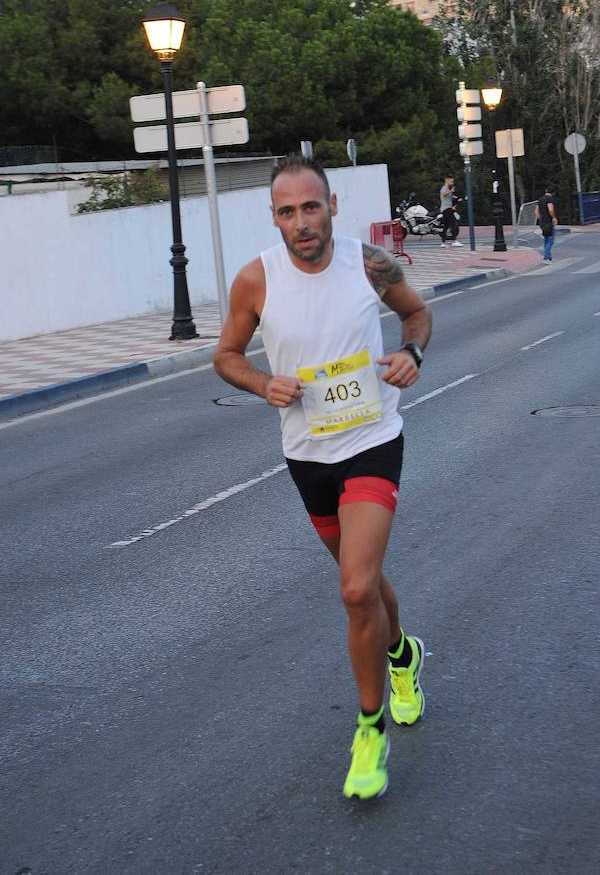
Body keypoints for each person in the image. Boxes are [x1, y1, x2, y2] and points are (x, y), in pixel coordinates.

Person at [213, 153, 432, 801]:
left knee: (355, 587)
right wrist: (262, 381)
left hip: (371, 440)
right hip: (307, 454)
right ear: (273, 218)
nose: (301, 222)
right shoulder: (256, 280)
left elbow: (416, 314)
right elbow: (225, 355)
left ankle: (369, 730)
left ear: (331, 206)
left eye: (311, 207)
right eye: (287, 211)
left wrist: (410, 352)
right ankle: (403, 656)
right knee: (361, 586)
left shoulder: (369, 265)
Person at [534, 187, 557, 263]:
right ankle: (546, 258)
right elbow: (550, 210)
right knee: (550, 240)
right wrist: (553, 217)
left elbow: (536, 211)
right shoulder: (549, 199)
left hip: (542, 222)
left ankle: (549, 257)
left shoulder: (540, 199)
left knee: (546, 239)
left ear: (546, 191)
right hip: (548, 222)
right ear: (553, 193)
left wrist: (541, 219)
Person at [439, 175, 463, 247]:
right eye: (451, 181)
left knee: (446, 226)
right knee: (453, 223)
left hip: (445, 208)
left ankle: (443, 243)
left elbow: (448, 197)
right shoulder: (444, 188)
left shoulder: (447, 188)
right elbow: (444, 193)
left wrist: (455, 198)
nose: (452, 183)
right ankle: (454, 241)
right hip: (447, 209)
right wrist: (451, 191)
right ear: (447, 180)